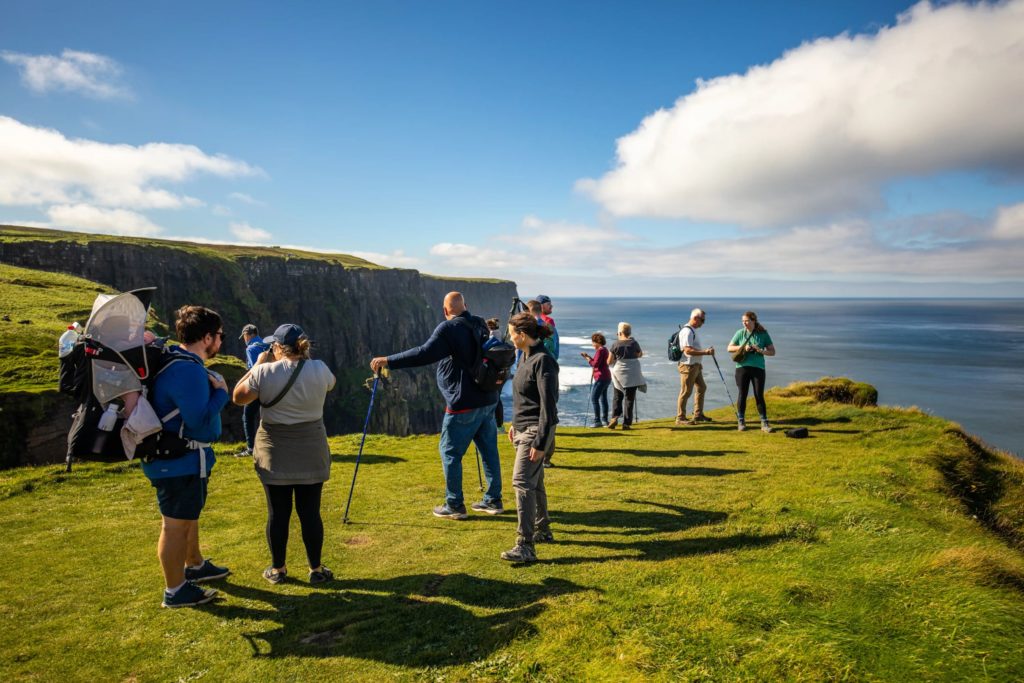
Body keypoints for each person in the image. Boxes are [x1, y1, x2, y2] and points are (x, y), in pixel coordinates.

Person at [370, 292, 503, 519]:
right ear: (465, 306)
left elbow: (423, 354)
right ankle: (493, 500)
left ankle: (454, 504)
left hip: (464, 403)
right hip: (488, 399)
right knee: (488, 449)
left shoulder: (448, 329)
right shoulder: (479, 323)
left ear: (444, 310)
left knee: (449, 451)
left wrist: (389, 360)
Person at [232, 323, 337, 585]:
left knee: (278, 513)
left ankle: (278, 569)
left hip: (274, 449)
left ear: (277, 347)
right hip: (311, 447)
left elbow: (238, 397)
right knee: (310, 512)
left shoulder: (265, 372)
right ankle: (316, 569)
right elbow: (329, 386)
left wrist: (258, 364)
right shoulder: (321, 369)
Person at [145, 305, 230, 609]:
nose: (222, 340)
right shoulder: (188, 369)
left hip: (183, 459)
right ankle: (175, 590)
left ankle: (194, 564)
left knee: (187, 517)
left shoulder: (178, 362)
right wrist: (222, 392)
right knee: (174, 525)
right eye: (219, 335)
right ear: (207, 337)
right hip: (177, 461)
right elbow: (197, 420)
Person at [502, 312, 558, 563]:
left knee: (521, 482)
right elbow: (524, 398)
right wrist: (515, 424)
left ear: (522, 335)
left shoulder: (543, 361)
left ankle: (525, 545)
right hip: (523, 429)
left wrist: (541, 442)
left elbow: (549, 406)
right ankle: (543, 530)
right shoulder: (524, 357)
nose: (510, 337)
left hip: (535, 431)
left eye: (512, 333)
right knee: (535, 484)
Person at [728, 311, 776, 432]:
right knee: (742, 394)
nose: (744, 323)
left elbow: (772, 352)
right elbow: (729, 348)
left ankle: (764, 422)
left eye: (747, 321)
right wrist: (744, 347)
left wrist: (760, 351)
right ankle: (741, 421)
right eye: (743, 321)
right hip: (742, 367)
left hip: (758, 368)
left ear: (753, 320)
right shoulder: (740, 333)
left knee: (759, 395)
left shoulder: (763, 334)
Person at [676, 308, 715, 426]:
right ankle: (680, 417)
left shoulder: (692, 330)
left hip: (695, 365)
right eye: (702, 320)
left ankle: (698, 414)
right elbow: (688, 350)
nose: (703, 323)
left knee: (702, 387)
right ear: (695, 318)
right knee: (686, 392)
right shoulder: (687, 331)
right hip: (688, 366)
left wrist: (699, 360)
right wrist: (705, 352)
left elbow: (692, 349)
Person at [236, 323, 269, 457]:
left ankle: (251, 448)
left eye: (244, 336)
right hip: (271, 385)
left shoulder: (251, 348)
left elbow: (255, 368)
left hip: (257, 386)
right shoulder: (267, 345)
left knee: (248, 416)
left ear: (248, 335)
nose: (244, 339)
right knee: (266, 416)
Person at [607, 322, 645, 430]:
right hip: (633, 373)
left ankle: (614, 418)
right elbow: (640, 354)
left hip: (619, 373)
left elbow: (609, 361)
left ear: (620, 332)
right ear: (629, 332)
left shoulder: (615, 344)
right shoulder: (634, 343)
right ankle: (626, 423)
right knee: (629, 398)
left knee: (617, 397)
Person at [581, 332, 611, 427]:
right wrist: (589, 357)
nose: (592, 344)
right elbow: (597, 362)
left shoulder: (600, 351)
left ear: (597, 342)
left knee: (594, 398)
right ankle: (605, 420)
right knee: (603, 399)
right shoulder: (604, 350)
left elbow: (595, 364)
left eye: (593, 342)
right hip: (606, 377)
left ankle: (597, 421)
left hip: (601, 378)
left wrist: (587, 359)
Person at [536, 294, 560, 360]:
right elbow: (552, 345)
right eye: (548, 304)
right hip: (548, 358)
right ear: (541, 306)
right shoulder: (548, 321)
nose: (551, 306)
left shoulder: (533, 319)